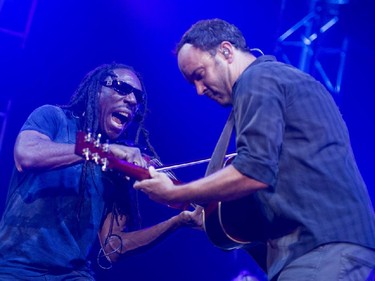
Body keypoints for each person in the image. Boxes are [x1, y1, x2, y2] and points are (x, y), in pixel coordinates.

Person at [134, 19, 375, 280]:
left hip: (318, 245)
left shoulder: (257, 79)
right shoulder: (279, 79)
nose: (199, 90)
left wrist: (176, 192)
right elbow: (283, 179)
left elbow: (254, 171)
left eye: (200, 75)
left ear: (226, 51)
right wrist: (215, 218)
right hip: (327, 242)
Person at [0, 62, 202, 280]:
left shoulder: (116, 166)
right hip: (15, 268)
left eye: (138, 98)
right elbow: (26, 156)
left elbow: (112, 247)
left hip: (73, 274)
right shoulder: (53, 117)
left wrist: (178, 221)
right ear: (97, 90)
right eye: (123, 89)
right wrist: (103, 150)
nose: (132, 101)